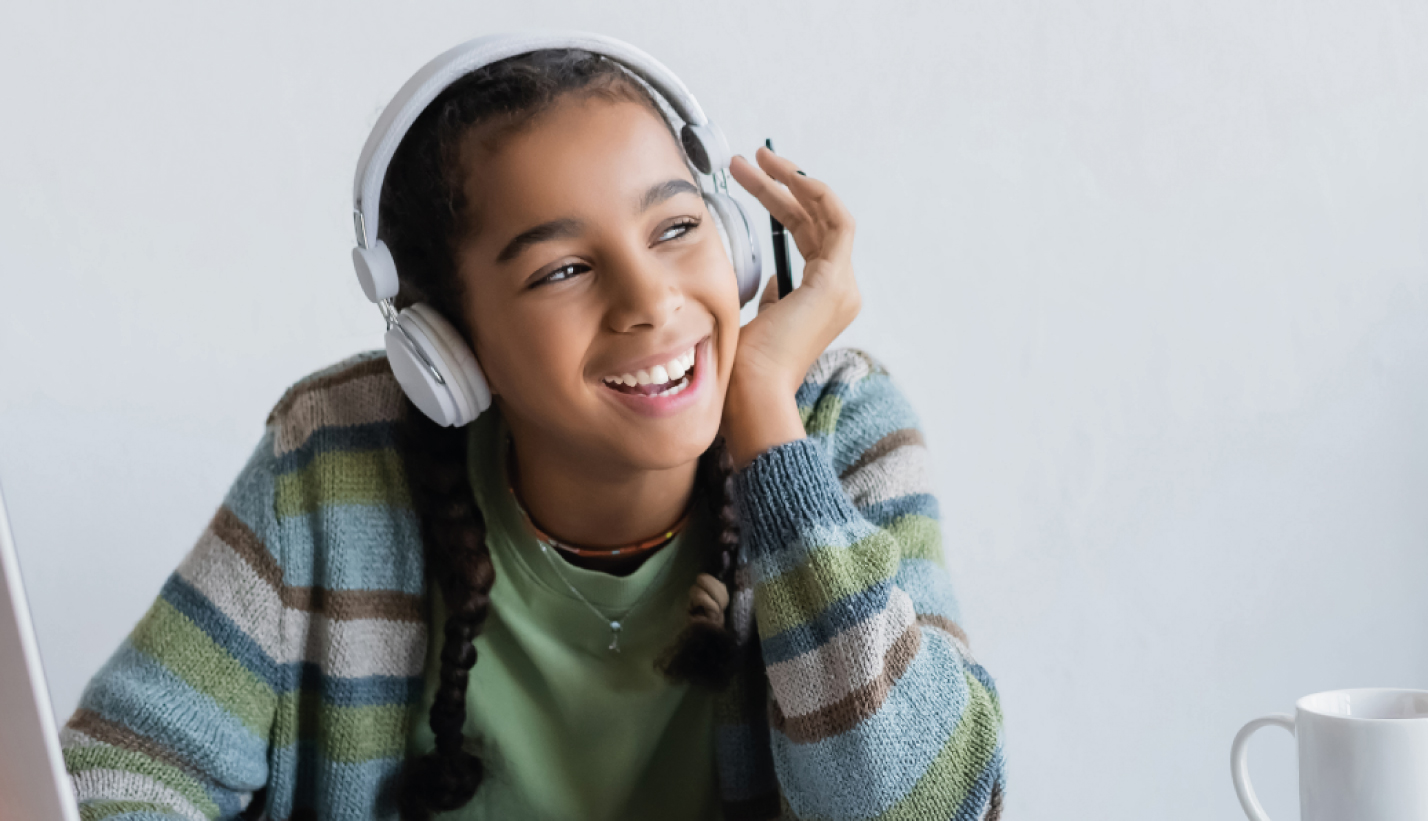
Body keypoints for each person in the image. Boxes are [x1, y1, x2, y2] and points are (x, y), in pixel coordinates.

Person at [57, 37, 1004, 821]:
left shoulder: (835, 428)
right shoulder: (332, 462)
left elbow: (919, 806)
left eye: (675, 229)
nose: (651, 301)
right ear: (450, 349)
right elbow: (112, 783)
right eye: (561, 271)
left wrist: (764, 416)